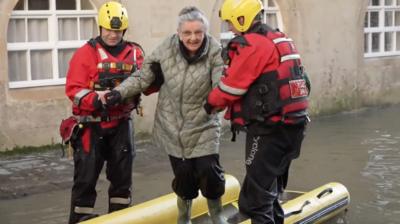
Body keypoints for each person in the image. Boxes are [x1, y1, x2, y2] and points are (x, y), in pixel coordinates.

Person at [104, 6, 228, 224]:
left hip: (204, 123)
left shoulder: (215, 51)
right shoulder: (166, 48)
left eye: (198, 32)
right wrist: (118, 93)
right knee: (184, 176)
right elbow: (143, 77)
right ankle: (183, 219)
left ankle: (217, 217)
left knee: (209, 171)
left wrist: (212, 106)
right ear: (178, 33)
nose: (193, 38)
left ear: (205, 32)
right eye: (187, 33)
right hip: (172, 125)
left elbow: (221, 85)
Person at [204, 0, 310, 223]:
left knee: (255, 201)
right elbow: (305, 82)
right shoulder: (280, 39)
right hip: (293, 127)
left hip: (269, 130)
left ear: (241, 19)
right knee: (269, 192)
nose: (230, 28)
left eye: (231, 22)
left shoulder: (253, 44)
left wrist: (209, 103)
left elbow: (231, 87)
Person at [64, 2, 144, 223]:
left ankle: (120, 219)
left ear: (124, 30)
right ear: (100, 27)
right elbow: (73, 89)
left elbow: (147, 83)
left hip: (122, 124)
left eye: (117, 30)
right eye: (109, 29)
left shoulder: (135, 53)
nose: (112, 34)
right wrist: (96, 99)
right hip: (91, 125)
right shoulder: (85, 54)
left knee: (122, 181)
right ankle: (80, 220)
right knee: (85, 181)